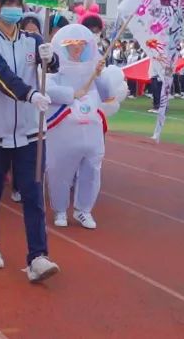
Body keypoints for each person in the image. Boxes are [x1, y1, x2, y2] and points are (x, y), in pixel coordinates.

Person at [0, 0, 60, 283]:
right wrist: (30, 93)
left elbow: (53, 68)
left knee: (34, 193)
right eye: (6, 2)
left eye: (17, 2)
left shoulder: (33, 40)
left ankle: (37, 256)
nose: (13, 7)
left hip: (30, 131)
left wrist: (50, 59)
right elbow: (0, 76)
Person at [43, 24, 127, 229]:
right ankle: (60, 210)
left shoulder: (94, 69)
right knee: (59, 171)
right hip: (63, 131)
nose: (77, 50)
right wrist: (72, 94)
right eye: (72, 46)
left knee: (92, 169)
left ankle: (84, 210)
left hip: (91, 131)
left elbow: (107, 96)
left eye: (81, 46)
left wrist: (99, 74)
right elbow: (48, 89)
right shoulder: (56, 70)